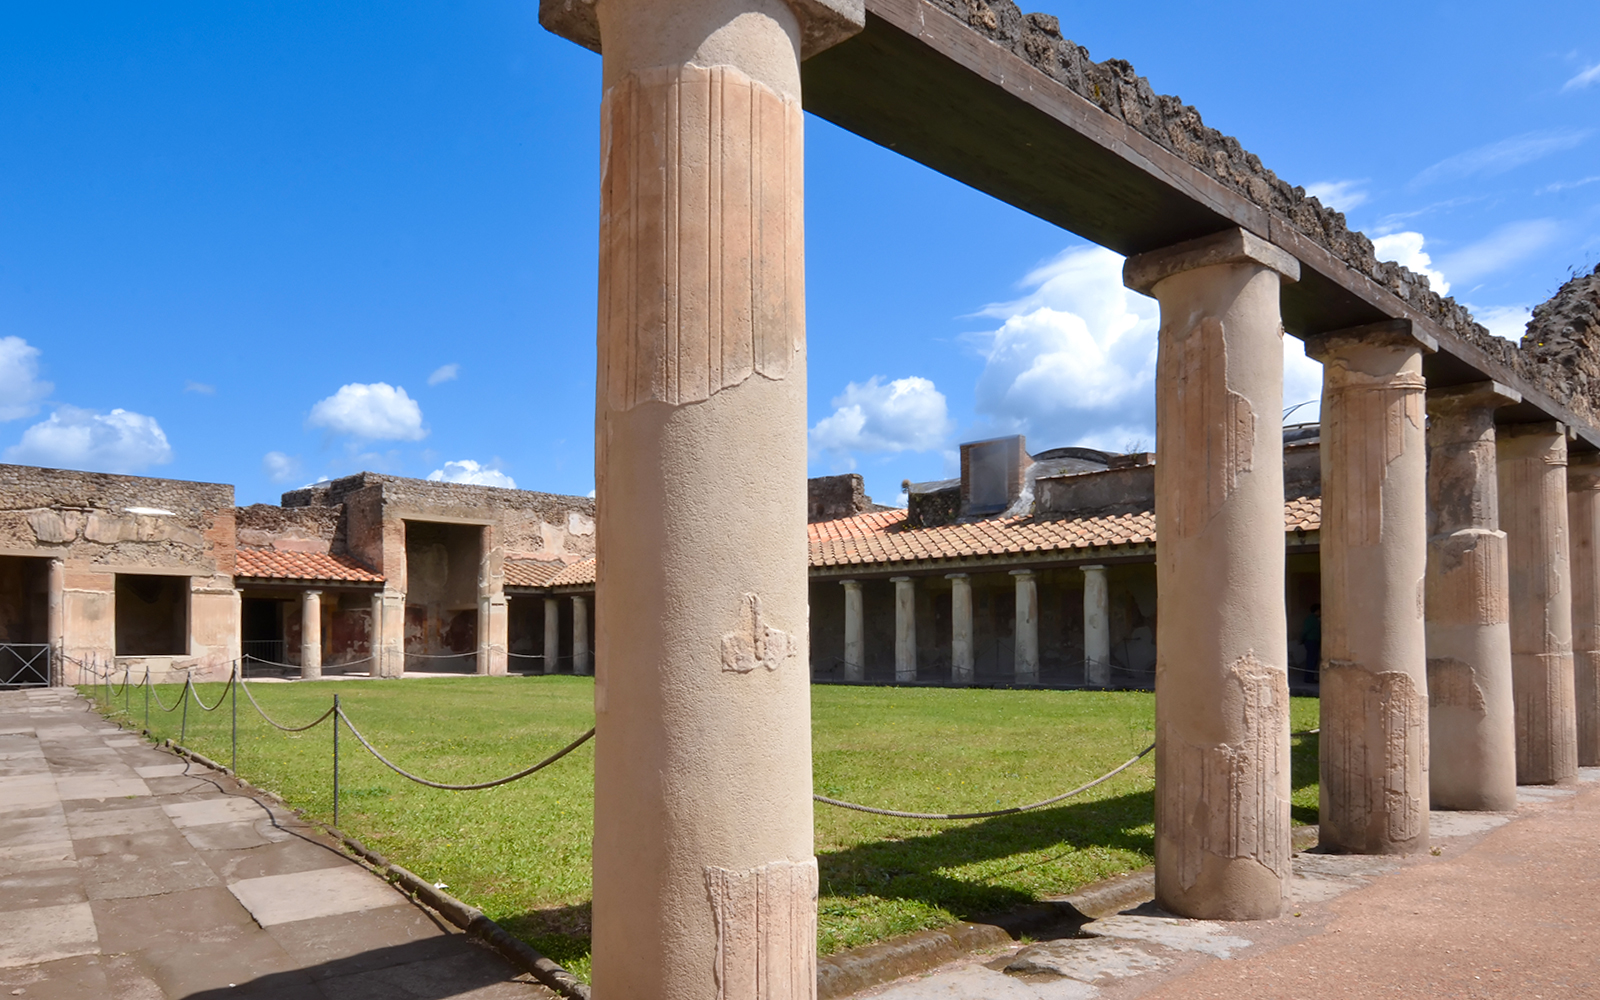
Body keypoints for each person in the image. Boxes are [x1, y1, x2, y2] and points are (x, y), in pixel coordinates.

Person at [1300, 604, 1321, 687]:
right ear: (1317, 611)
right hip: (1311, 641)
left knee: (1313, 660)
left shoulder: (1314, 619)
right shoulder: (1311, 619)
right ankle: (1308, 678)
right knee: (1311, 660)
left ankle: (1310, 677)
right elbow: (1306, 630)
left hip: (1314, 641)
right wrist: (1302, 639)